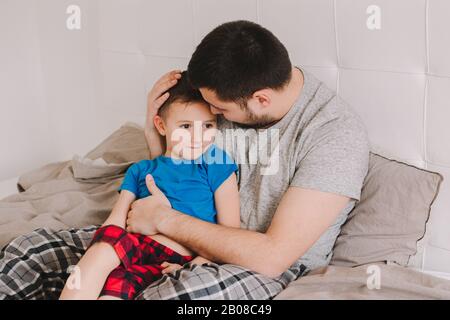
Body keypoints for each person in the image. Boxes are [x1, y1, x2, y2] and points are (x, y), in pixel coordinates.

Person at [0, 20, 369, 300]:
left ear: (260, 100)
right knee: (30, 252)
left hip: (258, 269)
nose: (211, 113)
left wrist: (164, 218)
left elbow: (273, 257)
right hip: (172, 235)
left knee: (173, 296)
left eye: (218, 110)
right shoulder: (231, 88)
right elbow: (176, 177)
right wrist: (153, 130)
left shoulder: (333, 134)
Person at [59, 73, 240, 300]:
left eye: (208, 126)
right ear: (161, 126)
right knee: (104, 261)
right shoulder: (141, 169)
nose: (198, 137)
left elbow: (230, 232)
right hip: (133, 245)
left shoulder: (216, 162)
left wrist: (196, 265)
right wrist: (99, 247)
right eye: (185, 126)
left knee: (112, 270)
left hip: (176, 257)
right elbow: (116, 219)